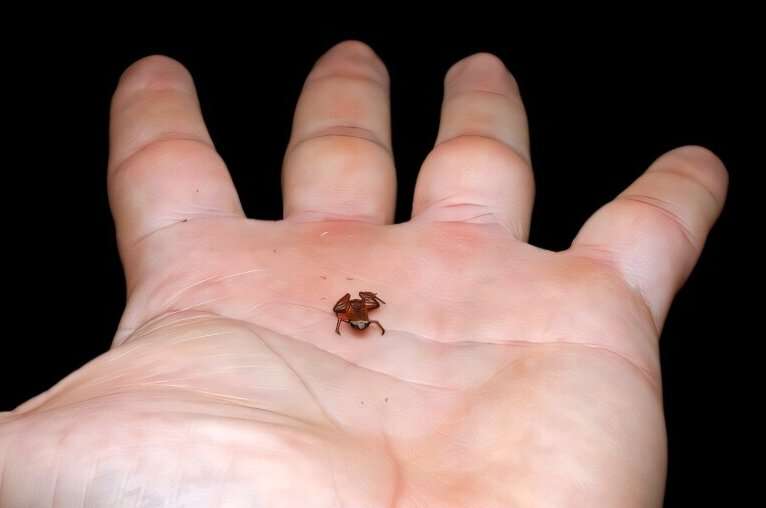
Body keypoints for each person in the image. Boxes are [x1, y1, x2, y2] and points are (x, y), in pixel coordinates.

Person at [0, 41, 727, 507]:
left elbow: (362, 314)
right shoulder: (357, 314)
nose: (354, 315)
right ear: (354, 313)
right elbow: (360, 315)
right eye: (355, 314)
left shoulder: (359, 313)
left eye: (357, 314)